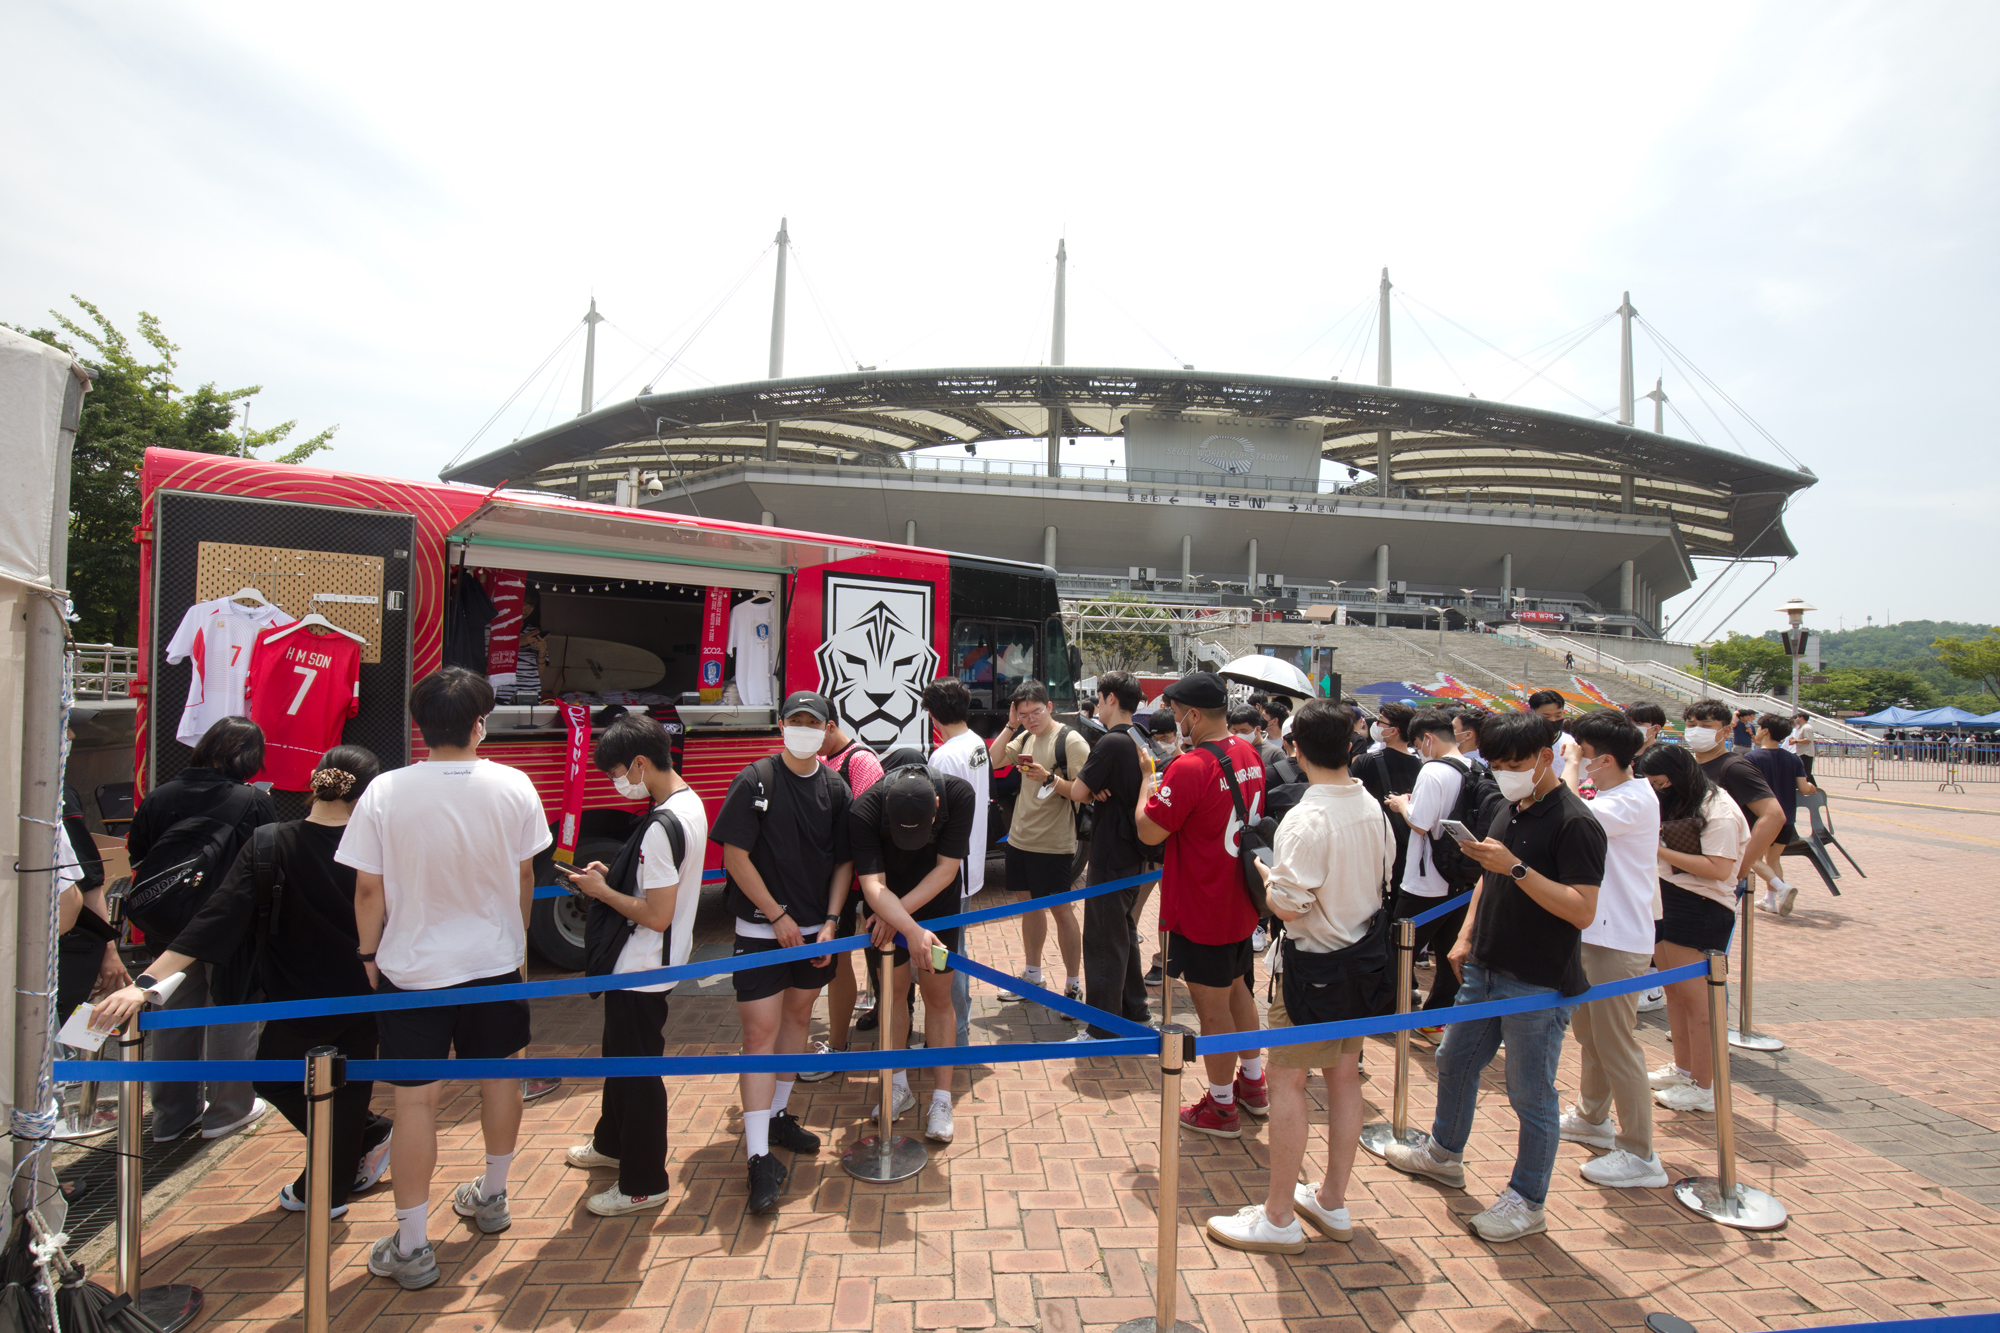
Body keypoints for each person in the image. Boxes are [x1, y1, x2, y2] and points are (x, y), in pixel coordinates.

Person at [96, 746, 394, 1217]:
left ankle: (334, 1181)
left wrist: (147, 981)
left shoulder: (271, 843)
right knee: (350, 1085)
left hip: (295, 993)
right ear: (371, 793)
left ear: (314, 780)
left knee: (274, 1078)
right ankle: (344, 1167)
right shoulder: (379, 847)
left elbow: (214, 919)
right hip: (372, 988)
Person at [343, 670, 551, 1289]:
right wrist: (516, 948)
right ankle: (492, 1196)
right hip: (495, 964)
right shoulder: (514, 785)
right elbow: (524, 878)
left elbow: (367, 888)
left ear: (420, 725)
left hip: (413, 968)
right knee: (501, 1079)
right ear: (479, 723)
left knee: (414, 1100)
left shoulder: (384, 791)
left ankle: (412, 1245)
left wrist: (368, 954)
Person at [1383, 710, 1606, 1243]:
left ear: (1546, 758)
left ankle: (1527, 1200)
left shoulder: (1576, 823)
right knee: (1453, 1060)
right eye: (1497, 764)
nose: (1505, 773)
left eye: (1516, 764)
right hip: (1485, 965)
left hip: (1538, 977)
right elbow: (1489, 873)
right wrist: (1465, 937)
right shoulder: (1511, 806)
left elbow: (1581, 910)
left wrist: (1518, 870)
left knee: (1530, 1093)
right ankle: (1443, 1152)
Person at [1203, 701, 1392, 1254]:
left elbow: (1285, 905)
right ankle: (1330, 1199)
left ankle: (1279, 1215)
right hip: (1362, 961)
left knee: (1289, 1082)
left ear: (1294, 748)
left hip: (1312, 967)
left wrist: (1265, 872)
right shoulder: (1372, 807)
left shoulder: (1307, 819)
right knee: (1344, 1077)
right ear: (1352, 746)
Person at [711, 690, 855, 1214]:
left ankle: (777, 1116)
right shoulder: (756, 779)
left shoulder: (835, 787)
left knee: (798, 1021)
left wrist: (833, 921)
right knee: (759, 1034)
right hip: (760, 930)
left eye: (812, 722)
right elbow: (734, 855)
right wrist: (775, 913)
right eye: (794, 720)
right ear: (780, 725)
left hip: (817, 933)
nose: (803, 728)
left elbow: (844, 862)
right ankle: (756, 1157)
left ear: (826, 728)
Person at [560, 714, 708, 1216]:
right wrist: (613, 876)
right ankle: (611, 1143)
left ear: (641, 764)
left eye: (618, 772)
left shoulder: (661, 826)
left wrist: (602, 891)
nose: (616, 783)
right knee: (619, 1059)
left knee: (637, 1072)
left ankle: (644, 1182)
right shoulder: (687, 804)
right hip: (650, 965)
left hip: (642, 966)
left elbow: (657, 914)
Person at [125, 715, 276, 1143]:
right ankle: (227, 1111)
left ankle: (171, 1118)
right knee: (231, 1011)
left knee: (172, 1016)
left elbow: (139, 855)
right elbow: (266, 860)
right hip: (231, 927)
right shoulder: (252, 801)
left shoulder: (160, 796)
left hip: (168, 927)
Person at [1135, 672, 1269, 1138]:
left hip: (1203, 902)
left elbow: (1150, 831)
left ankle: (1222, 1105)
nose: (1174, 722)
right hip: (1238, 897)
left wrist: (1146, 786)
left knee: (1212, 1008)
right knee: (1239, 993)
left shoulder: (1190, 765)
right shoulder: (1248, 751)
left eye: (1175, 714)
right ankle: (1253, 1084)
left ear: (1192, 714)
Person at [1558, 711, 1668, 1188]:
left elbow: (1569, 808)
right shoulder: (1613, 794)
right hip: (1598, 933)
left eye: (1581, 752)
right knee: (1592, 1036)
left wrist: (1568, 767)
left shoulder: (1629, 801)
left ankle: (1640, 1152)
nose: (1574, 759)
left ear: (1602, 758)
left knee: (1618, 1045)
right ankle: (1592, 1115)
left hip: (1618, 938)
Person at [851, 762, 977, 1140]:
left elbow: (946, 871)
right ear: (887, 806)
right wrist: (903, 923)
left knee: (939, 997)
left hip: (933, 905)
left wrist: (903, 920)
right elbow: (872, 885)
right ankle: (898, 1085)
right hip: (885, 910)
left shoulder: (959, 795)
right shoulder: (865, 810)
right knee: (892, 996)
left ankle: (941, 1098)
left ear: (937, 806)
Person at [1634, 744, 1749, 1114]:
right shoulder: (1684, 800)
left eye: (1660, 782)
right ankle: (1684, 1068)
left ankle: (1704, 1085)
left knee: (1699, 1003)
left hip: (1701, 905)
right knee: (1675, 994)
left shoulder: (1720, 811)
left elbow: (1718, 868)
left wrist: (1657, 850)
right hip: (1668, 898)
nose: (1656, 789)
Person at [1053, 671, 1153, 1043]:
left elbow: (1079, 790)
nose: (1096, 704)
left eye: (1099, 697)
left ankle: (1102, 1027)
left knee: (1102, 938)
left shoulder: (1110, 743)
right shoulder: (1138, 737)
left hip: (1112, 851)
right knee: (1122, 931)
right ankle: (1134, 1010)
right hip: (1133, 850)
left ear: (1111, 699)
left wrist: (1051, 780)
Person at [988, 681, 1091, 1005]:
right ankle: (1033, 975)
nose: (1031, 718)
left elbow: (1084, 791)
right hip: (1020, 839)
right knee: (1029, 908)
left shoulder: (1070, 741)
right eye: (1023, 713)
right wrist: (1010, 725)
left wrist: (1049, 778)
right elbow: (993, 760)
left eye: (1035, 711)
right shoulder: (1026, 736)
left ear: (1049, 707)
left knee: (1062, 911)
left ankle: (1073, 984)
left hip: (1054, 843)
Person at [1382, 710, 1472, 1027]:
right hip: (1459, 877)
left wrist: (1401, 805)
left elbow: (1420, 823)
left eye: (1419, 744)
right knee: (1449, 950)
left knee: (1399, 948)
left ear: (1428, 739)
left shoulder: (1433, 771)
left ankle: (1384, 1008)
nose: (1419, 750)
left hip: (1425, 879)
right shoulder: (1472, 767)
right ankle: (1437, 1016)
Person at [922, 678, 990, 1048]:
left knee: (948, 954)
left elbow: (937, 819)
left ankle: (955, 1033)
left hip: (951, 868)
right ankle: (956, 1028)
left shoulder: (943, 757)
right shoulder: (976, 743)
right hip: (971, 862)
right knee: (956, 948)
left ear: (933, 715)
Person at [815, 718, 886, 1061]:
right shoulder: (822, 759)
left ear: (829, 726)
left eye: (811, 726)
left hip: (860, 881)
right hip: (833, 881)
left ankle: (845, 1042)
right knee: (839, 959)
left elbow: (868, 824)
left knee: (867, 957)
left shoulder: (860, 761)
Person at [1679, 700, 1787, 914]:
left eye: (1706, 726)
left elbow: (1774, 815)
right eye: (1691, 726)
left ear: (1726, 730)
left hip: (1717, 876)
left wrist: (1744, 863)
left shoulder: (1734, 768)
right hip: (1691, 870)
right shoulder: (1691, 766)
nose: (1696, 731)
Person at [1352, 703, 1422, 919]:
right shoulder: (1421, 766)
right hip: (1407, 844)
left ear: (1393, 731)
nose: (1376, 725)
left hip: (1371, 842)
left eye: (1381, 721)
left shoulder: (1366, 761)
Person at [1745, 713, 1816, 916]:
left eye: (1758, 728)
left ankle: (1781, 888)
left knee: (1751, 858)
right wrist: (1811, 788)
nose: (1756, 731)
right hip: (1786, 818)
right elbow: (1803, 787)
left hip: (1761, 818)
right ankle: (1770, 901)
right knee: (1773, 859)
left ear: (1766, 731)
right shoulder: (1793, 759)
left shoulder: (1752, 758)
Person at [1528, 691, 1580, 777]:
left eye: (1558, 716)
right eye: (1546, 717)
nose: (1553, 720)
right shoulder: (1521, 741)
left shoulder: (1571, 743)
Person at [1788, 711, 1817, 779]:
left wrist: (1796, 741)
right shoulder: (1803, 727)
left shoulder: (1807, 727)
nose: (1797, 719)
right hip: (1801, 752)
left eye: (1798, 717)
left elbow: (1808, 739)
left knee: (1805, 773)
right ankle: (1812, 787)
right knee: (1804, 772)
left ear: (1802, 718)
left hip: (1806, 753)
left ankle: (1808, 787)